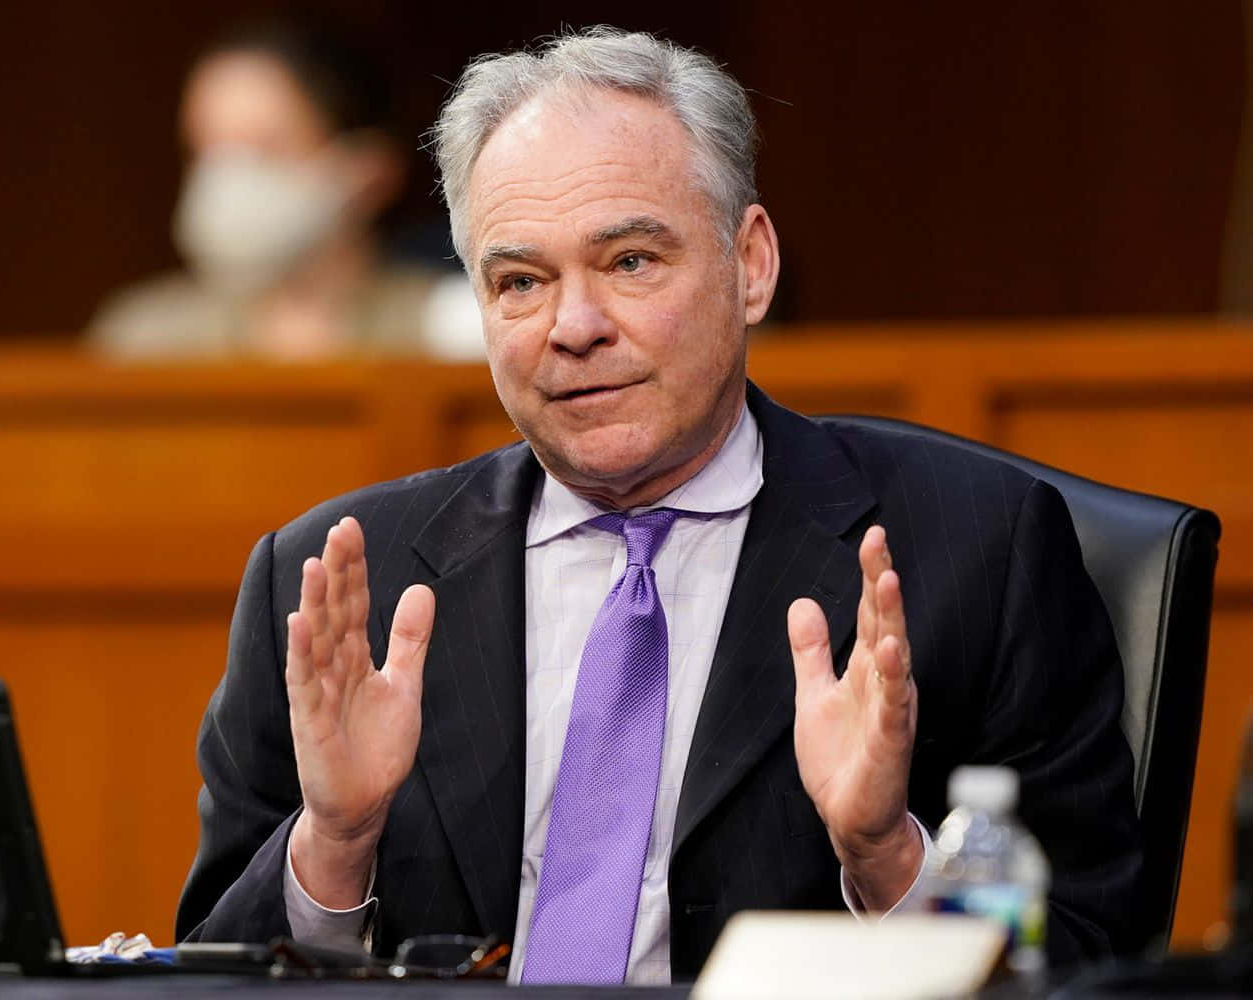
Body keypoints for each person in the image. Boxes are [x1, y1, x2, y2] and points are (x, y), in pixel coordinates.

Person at [175, 27, 1144, 983]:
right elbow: (206, 974)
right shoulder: (341, 584)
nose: (575, 327)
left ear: (750, 264)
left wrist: (887, 856)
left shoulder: (977, 552)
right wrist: (335, 843)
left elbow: (1092, 957)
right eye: (521, 281)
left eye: (631, 261)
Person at [88, 22, 480, 360]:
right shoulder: (143, 342)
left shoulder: (449, 331)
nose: (227, 177)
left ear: (367, 170)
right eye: (205, 148)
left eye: (267, 147)